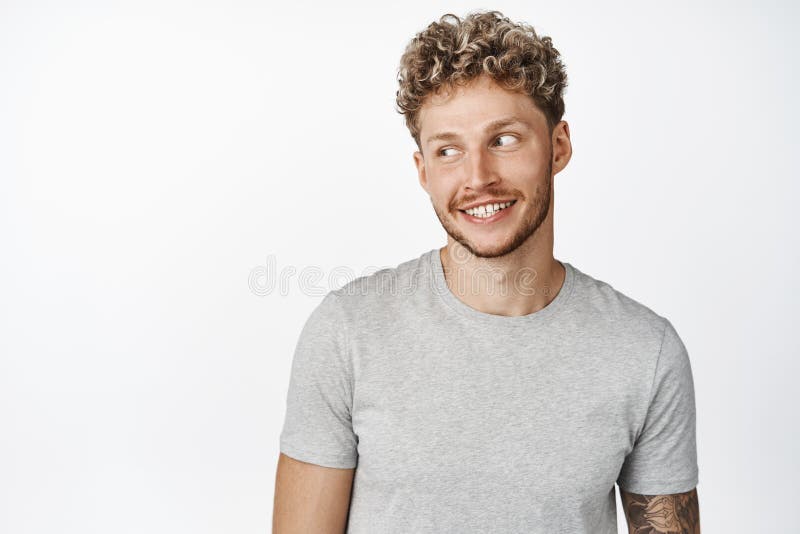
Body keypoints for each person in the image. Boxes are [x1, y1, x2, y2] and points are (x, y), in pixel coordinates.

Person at [272, 10, 700, 534]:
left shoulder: (644, 351)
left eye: (504, 139)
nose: (478, 178)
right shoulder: (348, 332)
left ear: (558, 146)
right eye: (449, 150)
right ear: (423, 171)